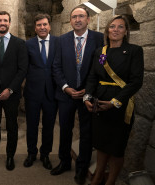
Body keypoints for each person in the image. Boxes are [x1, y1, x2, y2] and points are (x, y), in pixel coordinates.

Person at [84, 15, 144, 185]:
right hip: (100, 103)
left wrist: (115, 102)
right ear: (107, 30)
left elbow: (136, 81)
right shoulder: (100, 52)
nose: (115, 30)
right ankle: (97, 177)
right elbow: (92, 78)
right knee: (102, 144)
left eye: (120, 27)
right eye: (112, 26)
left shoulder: (134, 51)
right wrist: (87, 97)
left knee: (116, 148)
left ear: (126, 31)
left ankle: (110, 181)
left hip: (121, 105)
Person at [52, 6, 104, 184]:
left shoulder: (99, 39)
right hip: (66, 94)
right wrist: (66, 87)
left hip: (88, 95)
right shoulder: (61, 40)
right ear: (70, 20)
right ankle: (64, 161)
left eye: (81, 16)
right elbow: (56, 66)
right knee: (64, 130)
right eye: (74, 17)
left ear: (88, 19)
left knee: (86, 132)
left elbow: (101, 67)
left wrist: (88, 90)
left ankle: (81, 167)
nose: (77, 19)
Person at [0, 11, 28, 171]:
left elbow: (22, 70)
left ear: (9, 22)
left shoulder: (19, 44)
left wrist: (11, 89)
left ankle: (10, 156)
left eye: (5, 20)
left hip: (11, 94)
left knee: (11, 125)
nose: (2, 23)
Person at [23, 14, 58, 170]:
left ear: (49, 26)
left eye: (44, 24)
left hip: (52, 92)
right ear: (35, 28)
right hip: (32, 92)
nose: (42, 27)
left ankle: (45, 154)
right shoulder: (28, 44)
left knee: (49, 126)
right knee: (31, 125)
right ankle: (31, 153)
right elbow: (23, 67)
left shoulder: (58, 42)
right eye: (39, 25)